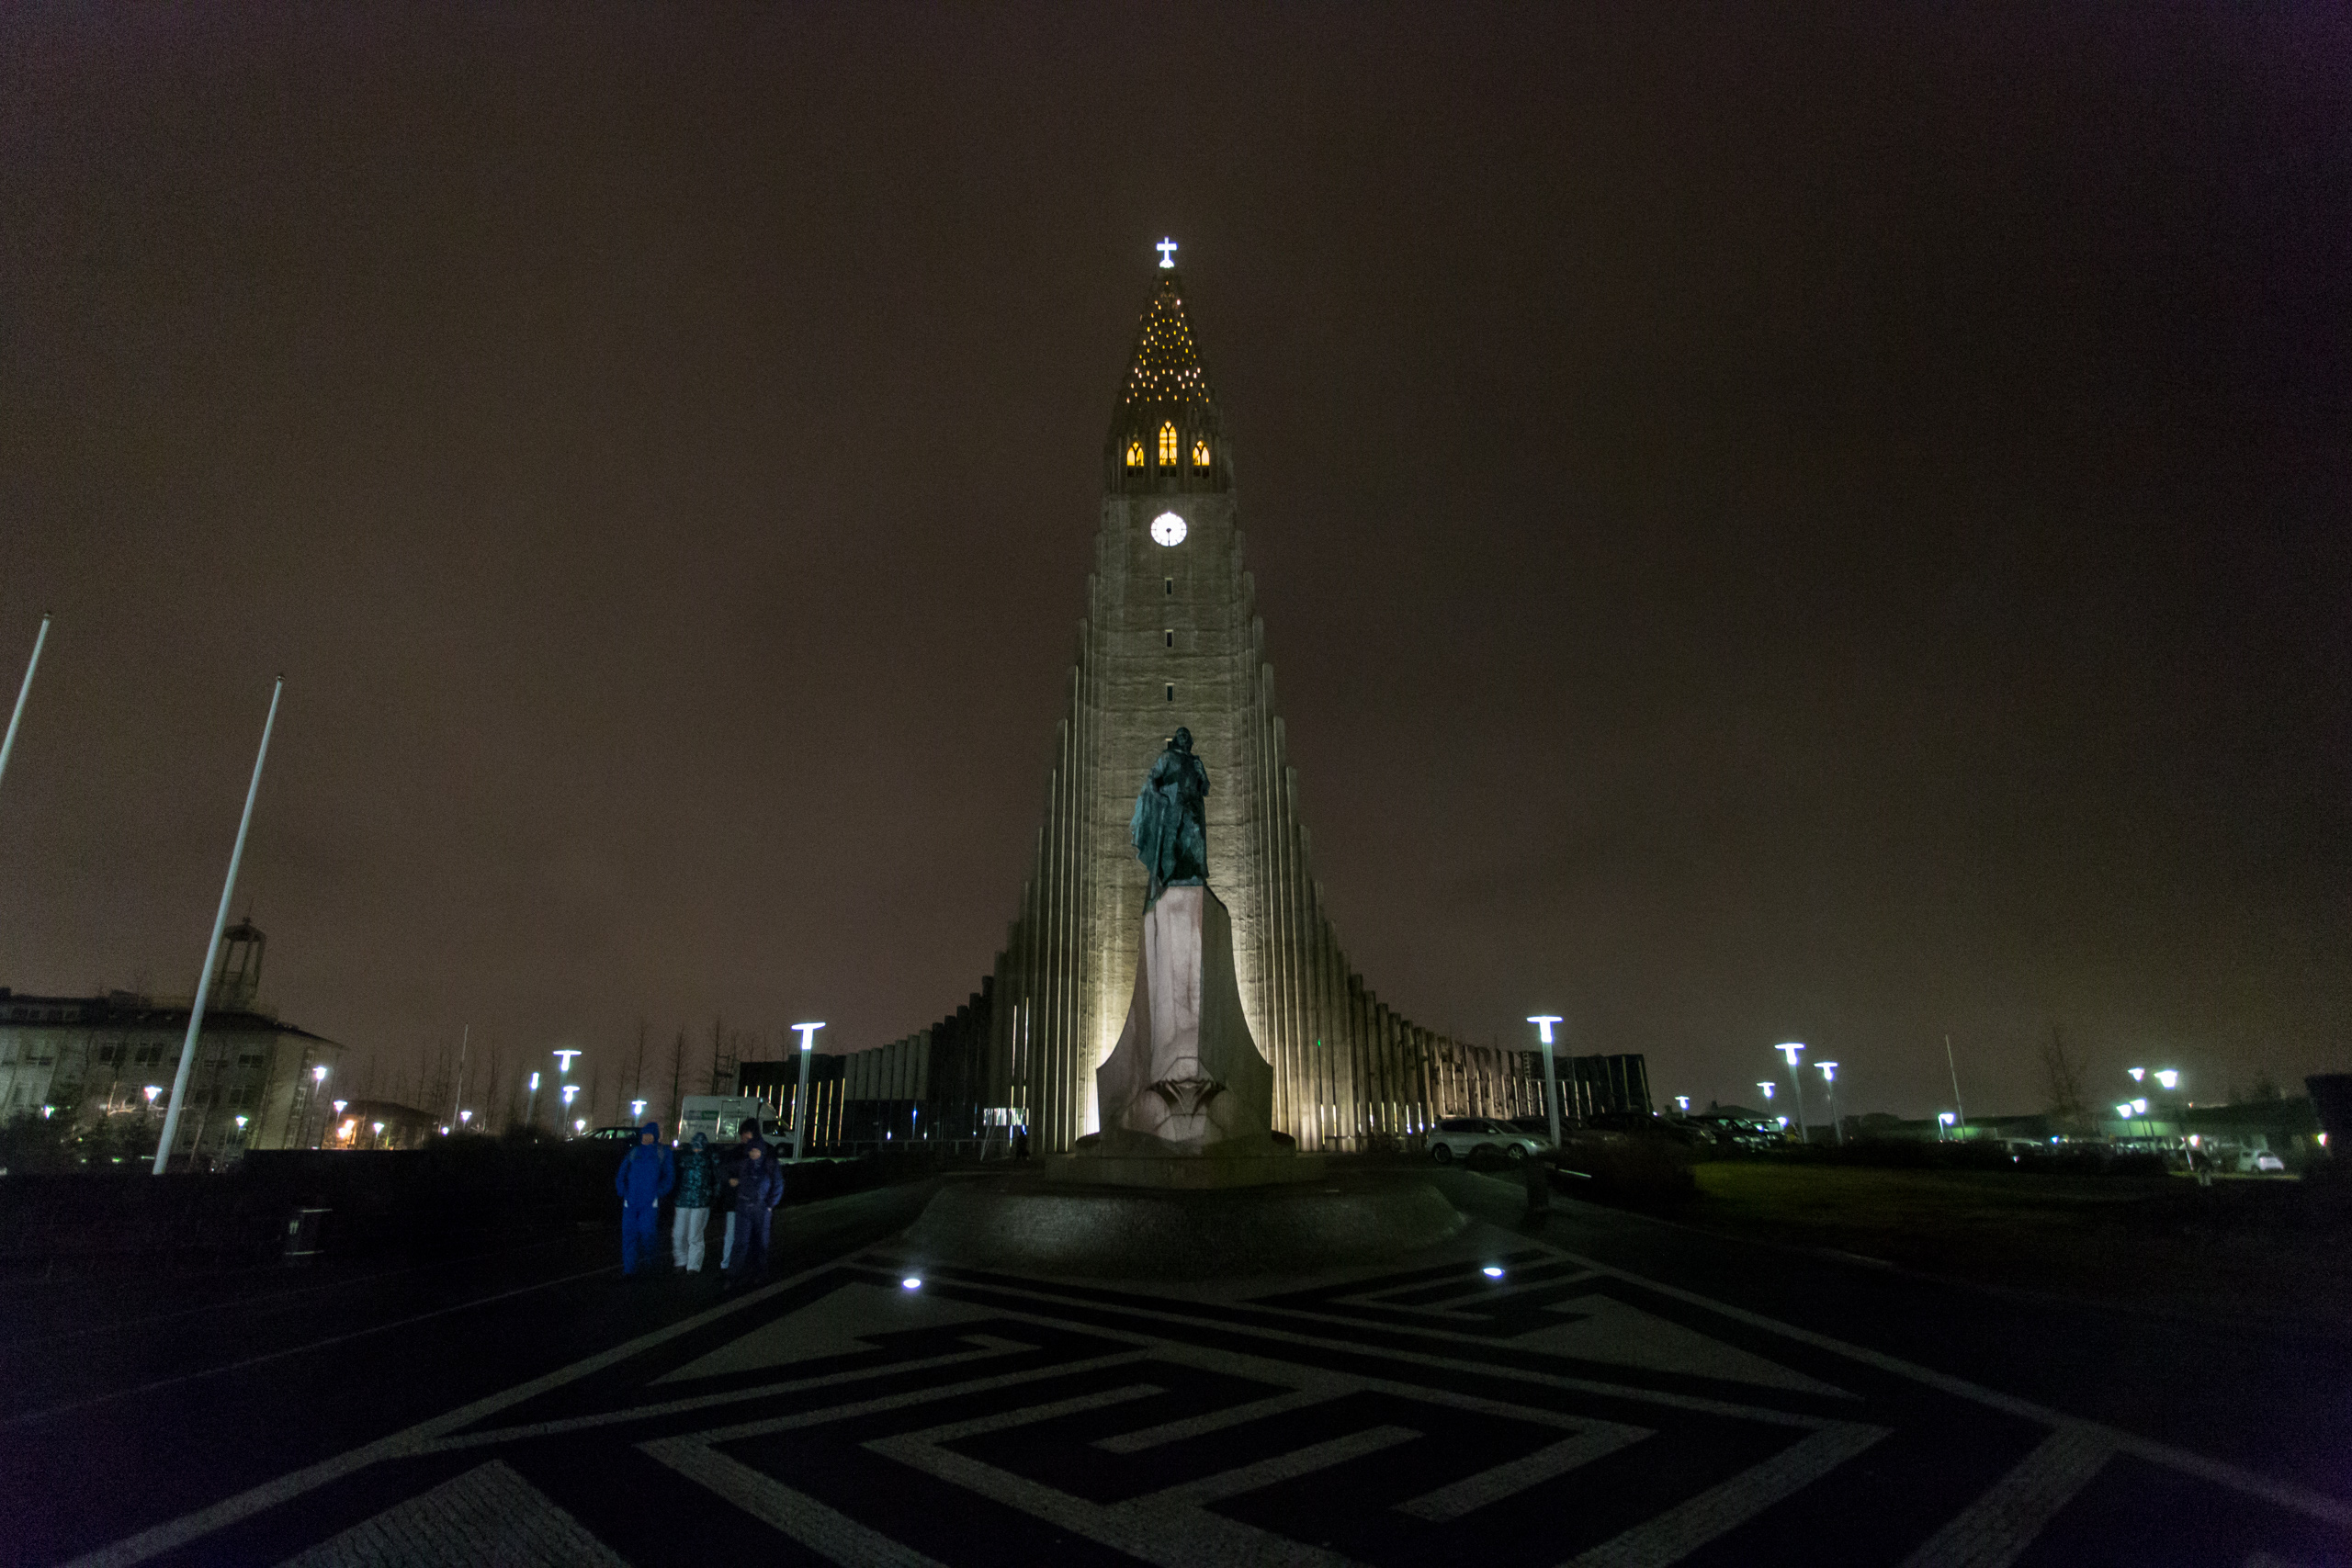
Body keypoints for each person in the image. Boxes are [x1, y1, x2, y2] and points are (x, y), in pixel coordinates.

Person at [613, 1121, 675, 1278]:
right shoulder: (634, 1152)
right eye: (644, 1135)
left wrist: (659, 1192)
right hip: (631, 1201)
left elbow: (669, 1176)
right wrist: (622, 1191)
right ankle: (629, 1269)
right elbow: (622, 1172)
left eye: (649, 1135)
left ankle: (651, 1266)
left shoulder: (662, 1152)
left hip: (649, 1202)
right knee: (629, 1235)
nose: (646, 1137)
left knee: (648, 1234)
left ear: (655, 1136)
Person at [725, 1133, 783, 1289]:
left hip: (761, 1210)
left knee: (761, 1244)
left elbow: (778, 1185)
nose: (753, 1153)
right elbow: (726, 1169)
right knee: (740, 1243)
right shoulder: (744, 1164)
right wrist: (731, 1179)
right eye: (751, 1151)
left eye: (756, 1150)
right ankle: (733, 1276)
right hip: (744, 1208)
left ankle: (760, 1274)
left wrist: (769, 1205)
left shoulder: (769, 1164)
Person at [718, 1120, 763, 1270]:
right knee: (731, 1234)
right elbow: (724, 1169)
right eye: (743, 1133)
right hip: (735, 1201)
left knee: (748, 1235)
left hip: (751, 1202)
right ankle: (728, 1264)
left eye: (748, 1133)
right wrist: (729, 1179)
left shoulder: (761, 1153)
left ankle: (745, 1265)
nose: (744, 1136)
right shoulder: (735, 1152)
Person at [672, 1131, 718, 1273]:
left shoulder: (710, 1159)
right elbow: (676, 1177)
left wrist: (712, 1197)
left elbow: (716, 1179)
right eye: (695, 1146)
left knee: (694, 1235)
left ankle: (693, 1266)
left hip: (700, 1203)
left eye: (699, 1147)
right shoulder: (685, 1159)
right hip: (683, 1201)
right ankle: (681, 1260)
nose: (697, 1149)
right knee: (679, 1234)